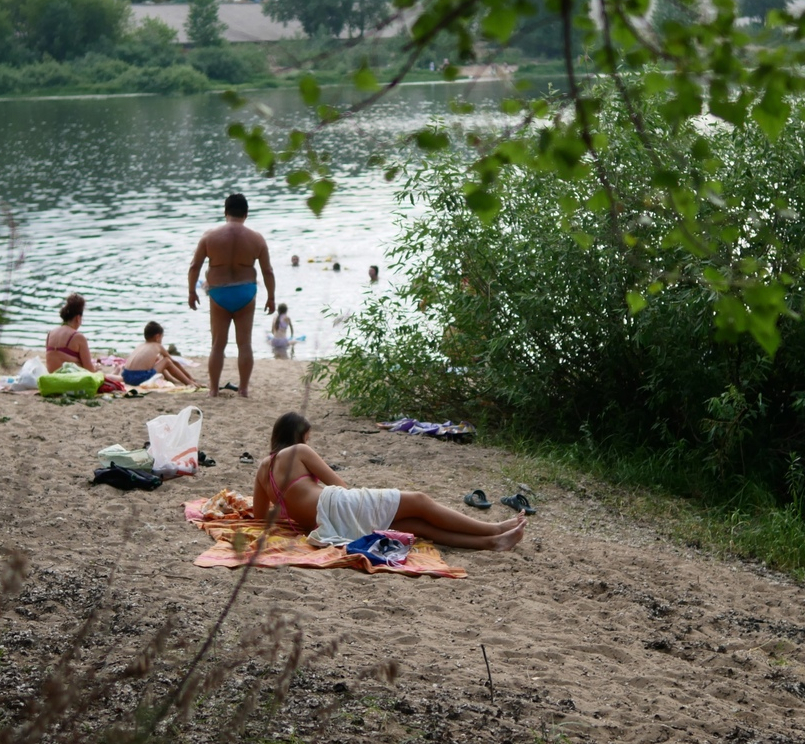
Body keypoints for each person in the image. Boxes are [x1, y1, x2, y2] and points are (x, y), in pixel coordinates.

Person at [252, 412, 526, 551]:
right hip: (336, 507)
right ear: (298, 437)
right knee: (420, 500)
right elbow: (339, 485)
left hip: (322, 525)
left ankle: (492, 543)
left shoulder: (262, 471)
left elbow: (260, 517)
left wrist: (295, 514)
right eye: (307, 438)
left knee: (415, 525)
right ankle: (493, 528)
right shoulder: (299, 452)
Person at [188, 193, 275, 397]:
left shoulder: (209, 237)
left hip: (219, 293)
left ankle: (213, 390)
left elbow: (195, 266)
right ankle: (243, 389)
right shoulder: (257, 239)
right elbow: (267, 271)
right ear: (246, 213)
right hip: (245, 293)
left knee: (218, 344)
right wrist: (271, 297)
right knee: (244, 343)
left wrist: (192, 292)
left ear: (225, 212)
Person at [44, 294, 121, 384]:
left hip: (53, 380)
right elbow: (89, 370)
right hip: (71, 381)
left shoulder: (50, 334)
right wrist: (95, 369)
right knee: (102, 375)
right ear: (78, 318)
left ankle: (112, 375)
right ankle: (116, 377)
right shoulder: (77, 337)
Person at [123, 321, 198, 388]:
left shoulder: (140, 345)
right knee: (167, 361)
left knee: (158, 360)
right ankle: (189, 383)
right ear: (157, 337)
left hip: (126, 376)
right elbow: (174, 362)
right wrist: (189, 378)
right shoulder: (158, 346)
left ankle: (170, 379)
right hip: (139, 378)